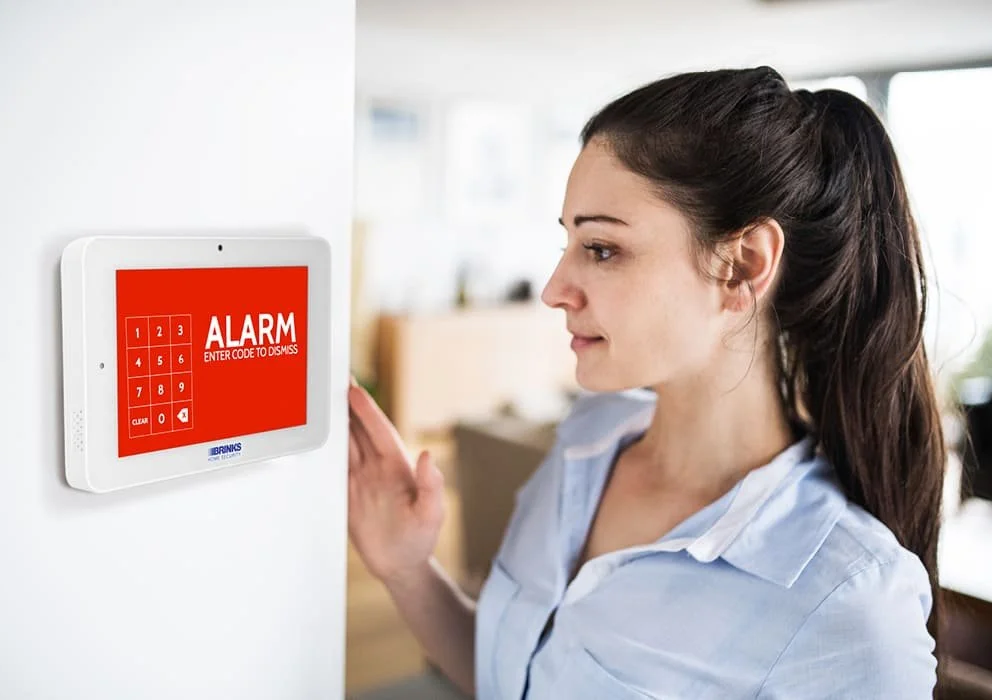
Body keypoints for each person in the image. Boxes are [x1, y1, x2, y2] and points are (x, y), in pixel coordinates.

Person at [347, 66, 945, 699]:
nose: (554, 289)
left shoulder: (849, 604)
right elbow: (516, 678)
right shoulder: (587, 439)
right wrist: (408, 569)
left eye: (602, 249)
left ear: (741, 266)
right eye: (569, 242)